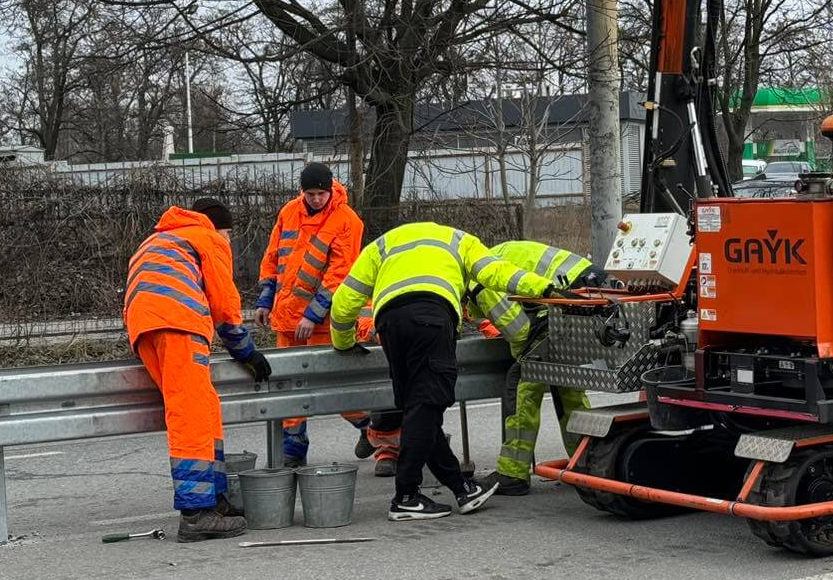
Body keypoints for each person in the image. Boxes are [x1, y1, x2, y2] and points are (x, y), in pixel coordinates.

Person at [329, 223, 554, 522]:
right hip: (431, 318)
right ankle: (406, 496)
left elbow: (344, 302)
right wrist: (544, 288)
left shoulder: (383, 245)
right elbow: (498, 274)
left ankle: (462, 488)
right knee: (428, 403)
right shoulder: (459, 239)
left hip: (390, 325)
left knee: (419, 408)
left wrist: (344, 343)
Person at [124, 198, 272, 542]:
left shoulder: (158, 239)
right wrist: (245, 351)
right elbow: (224, 301)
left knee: (205, 407)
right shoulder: (207, 238)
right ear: (216, 226)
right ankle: (195, 514)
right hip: (177, 325)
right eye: (229, 233)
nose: (230, 240)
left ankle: (213, 500)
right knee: (190, 414)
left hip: (145, 328)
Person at [254, 162, 399, 471]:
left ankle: (374, 431)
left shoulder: (347, 220)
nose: (316, 199)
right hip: (286, 318)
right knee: (290, 388)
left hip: (321, 321)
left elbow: (340, 274)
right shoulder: (289, 211)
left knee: (335, 389)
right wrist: (265, 300)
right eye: (311, 193)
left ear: (331, 188)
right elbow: (273, 257)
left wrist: (313, 314)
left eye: (321, 193)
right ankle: (294, 448)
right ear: (302, 191)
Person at [469, 241, 600, 496]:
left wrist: (524, 358)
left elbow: (517, 330)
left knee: (522, 380)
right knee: (568, 387)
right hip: (587, 295)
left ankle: (512, 472)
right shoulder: (495, 254)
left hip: (566, 304)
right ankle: (584, 463)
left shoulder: (477, 279)